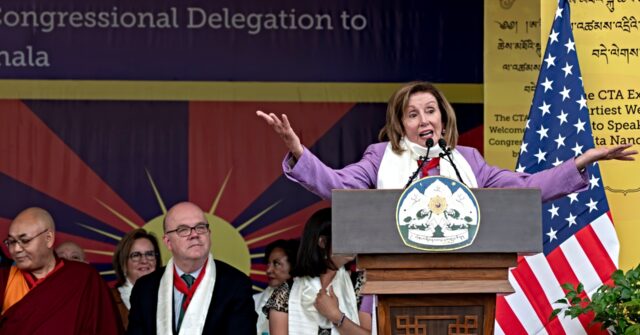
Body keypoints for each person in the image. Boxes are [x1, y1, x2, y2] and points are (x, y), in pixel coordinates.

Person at [256, 81, 636, 201]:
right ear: (400, 124)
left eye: (431, 110)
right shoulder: (380, 157)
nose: (425, 120)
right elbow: (337, 185)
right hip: (393, 278)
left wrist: (582, 160)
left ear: (443, 116)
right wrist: (298, 151)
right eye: (413, 113)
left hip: (465, 277)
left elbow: (525, 187)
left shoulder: (468, 159)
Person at [127, 202, 257, 334]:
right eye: (183, 230)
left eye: (200, 227)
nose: (194, 234)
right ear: (168, 242)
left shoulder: (236, 284)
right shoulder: (145, 288)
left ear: (209, 234)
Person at [0, 207, 123, 334]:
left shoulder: (84, 278)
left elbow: (106, 329)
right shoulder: (5, 279)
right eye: (11, 241)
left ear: (49, 238)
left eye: (24, 241)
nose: (16, 249)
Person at [264, 208, 372, 335]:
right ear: (323, 242)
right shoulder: (285, 293)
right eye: (344, 237)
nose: (352, 243)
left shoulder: (361, 284)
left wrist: (336, 316)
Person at [112, 228, 161, 330]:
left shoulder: (171, 293)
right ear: (123, 263)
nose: (144, 260)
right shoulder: (110, 300)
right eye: (136, 255)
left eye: (149, 254)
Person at [254, 239, 299, 335]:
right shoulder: (253, 301)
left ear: (294, 265)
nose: (268, 270)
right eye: (268, 264)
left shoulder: (307, 298)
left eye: (276, 264)